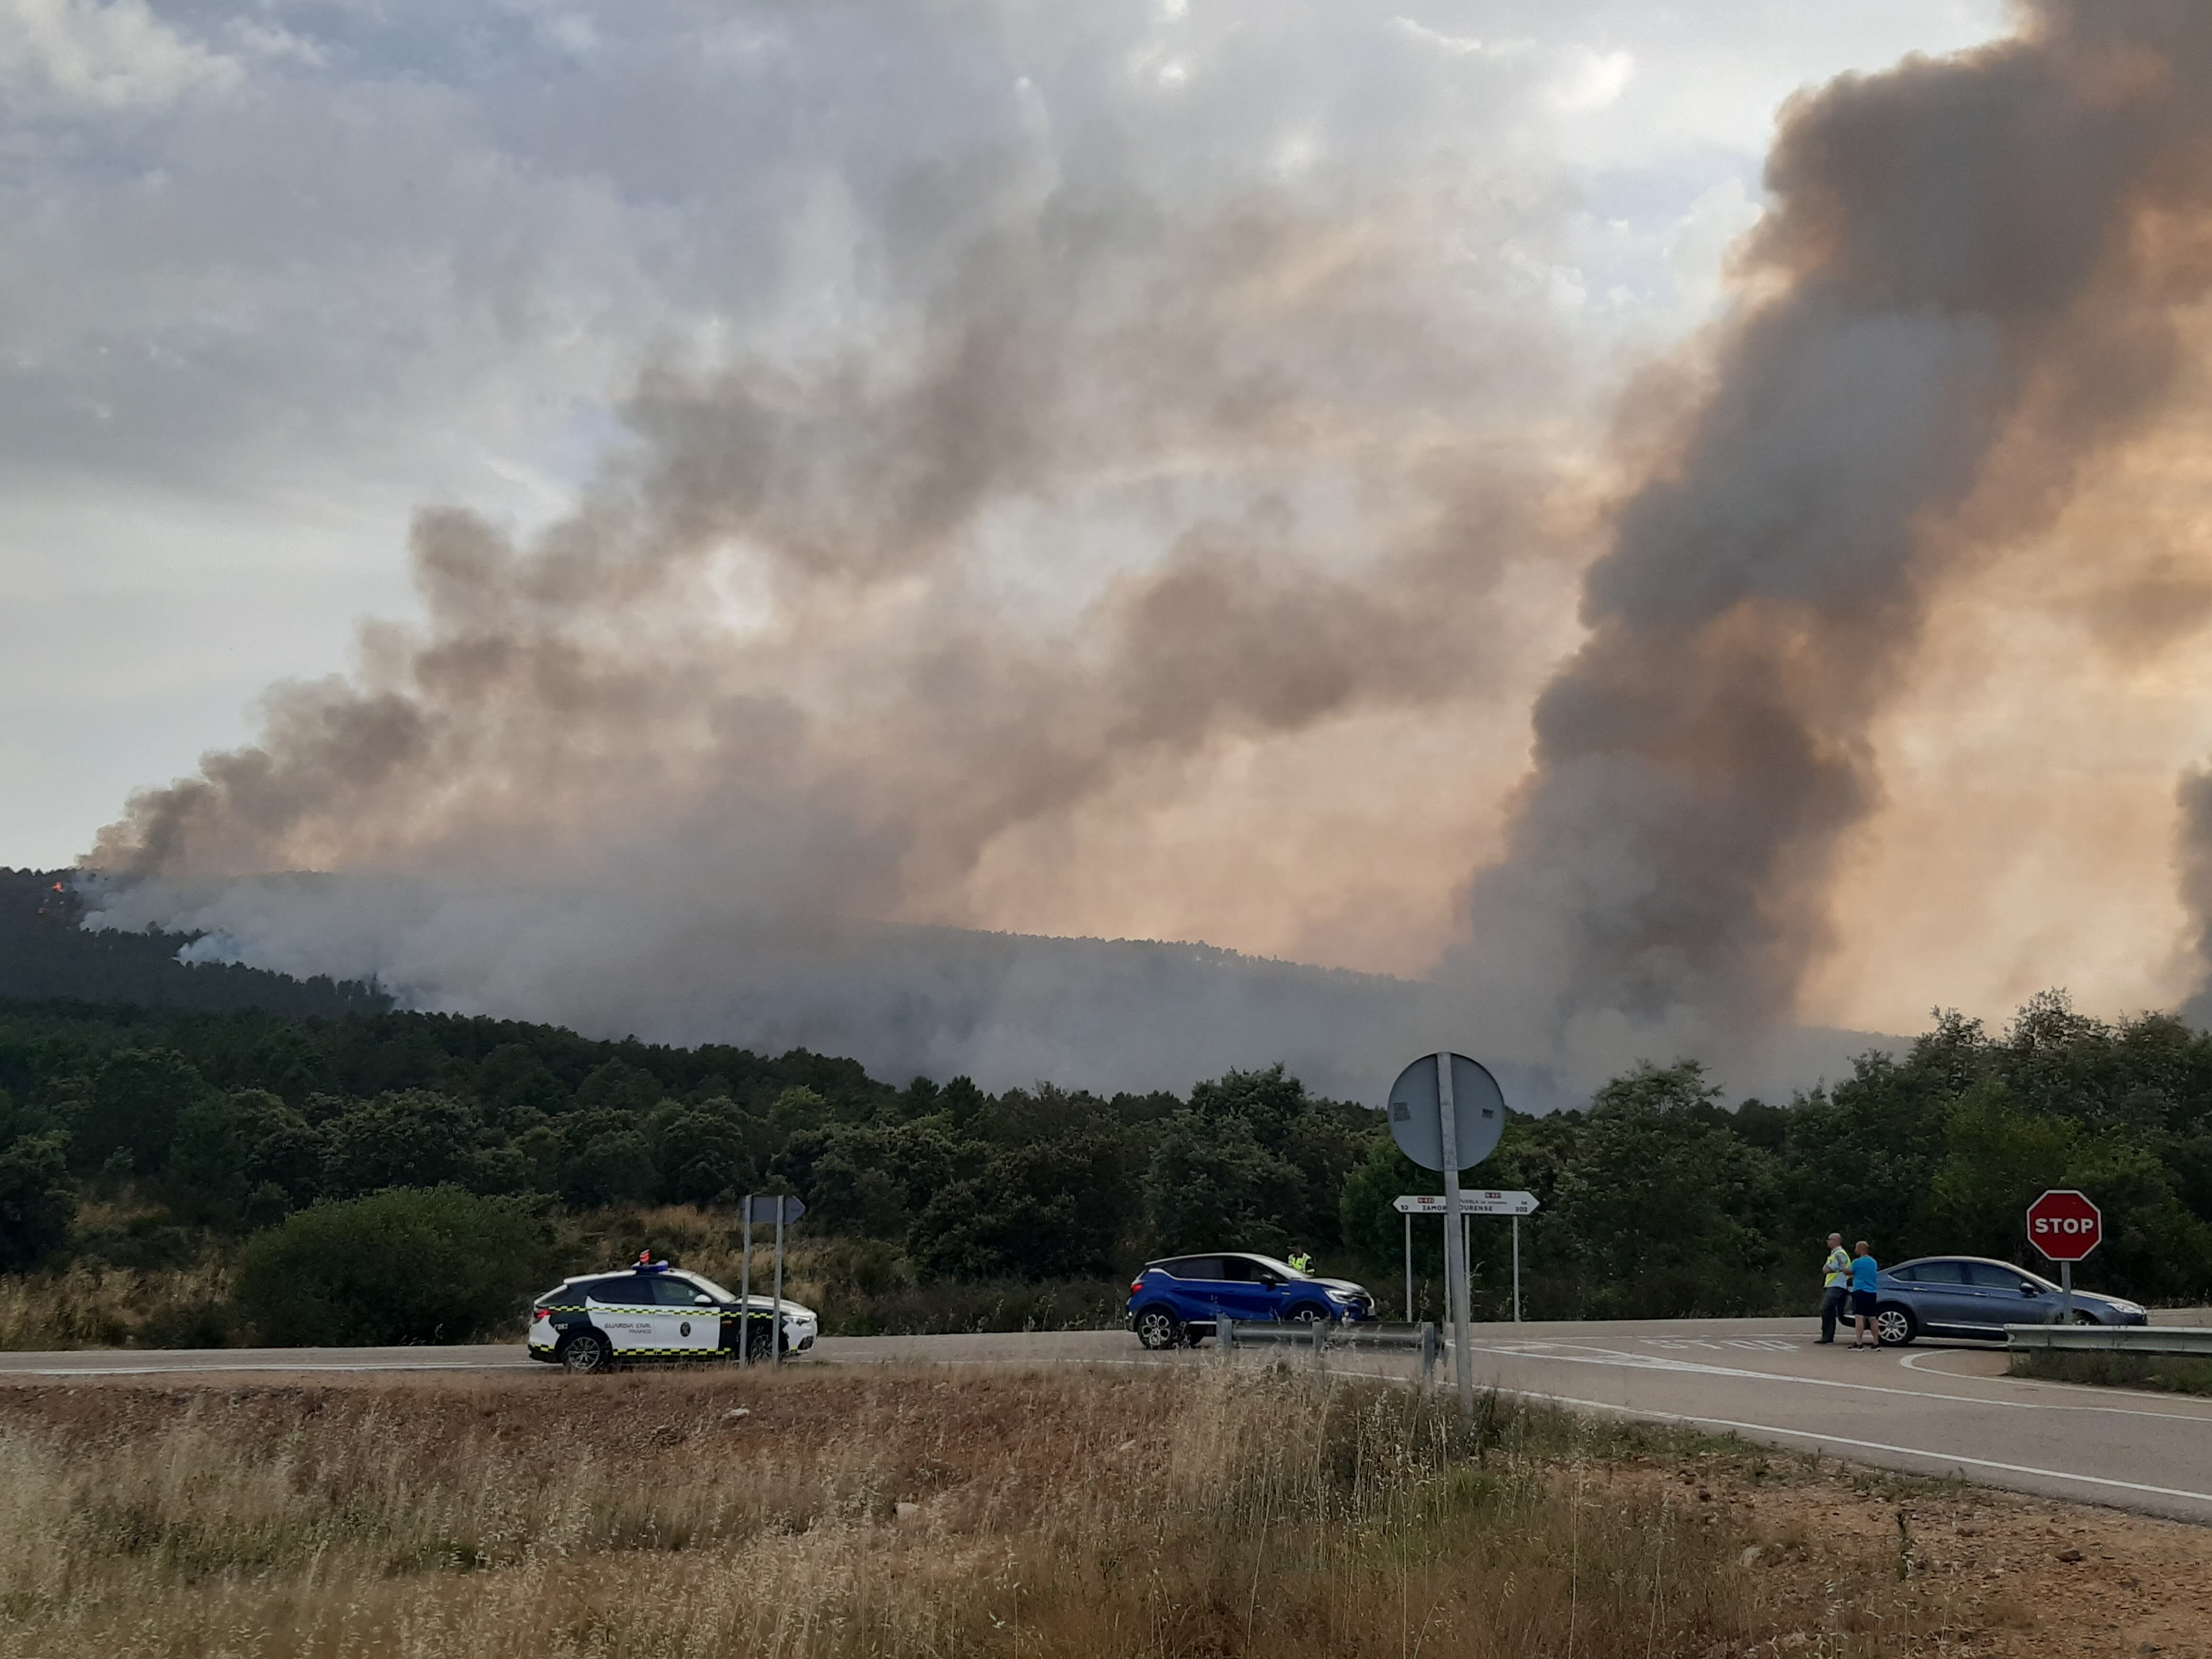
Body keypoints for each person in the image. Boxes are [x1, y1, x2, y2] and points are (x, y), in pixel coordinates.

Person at [1818, 1233, 1851, 1344]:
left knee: (1825, 1308)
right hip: (1834, 1285)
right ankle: (1827, 1336)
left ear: (1836, 1241)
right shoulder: (1834, 1254)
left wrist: (1827, 1268)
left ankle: (1827, 1335)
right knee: (1831, 1311)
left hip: (1838, 1286)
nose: (1828, 1242)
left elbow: (1827, 1269)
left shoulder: (1839, 1254)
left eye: (1829, 1240)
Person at [1849, 1240, 1880, 1349]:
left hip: (1860, 1290)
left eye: (1857, 1248)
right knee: (1873, 1317)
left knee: (1859, 1317)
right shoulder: (1873, 1262)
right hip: (1872, 1292)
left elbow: (1848, 1271)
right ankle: (1876, 1343)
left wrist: (1842, 1265)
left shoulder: (1857, 1262)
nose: (1855, 1250)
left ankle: (1859, 1343)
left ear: (1861, 1249)